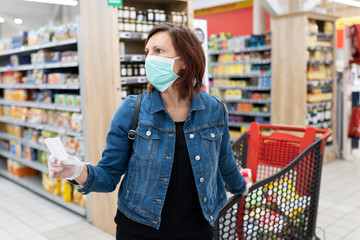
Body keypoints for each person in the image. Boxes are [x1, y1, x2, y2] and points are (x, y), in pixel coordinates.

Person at [48, 22, 248, 240]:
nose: (149, 59)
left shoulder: (214, 109)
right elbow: (109, 174)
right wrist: (78, 171)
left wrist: (240, 187)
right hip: (139, 229)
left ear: (184, 61)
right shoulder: (132, 110)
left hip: (198, 228)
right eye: (148, 52)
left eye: (159, 51)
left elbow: (224, 161)